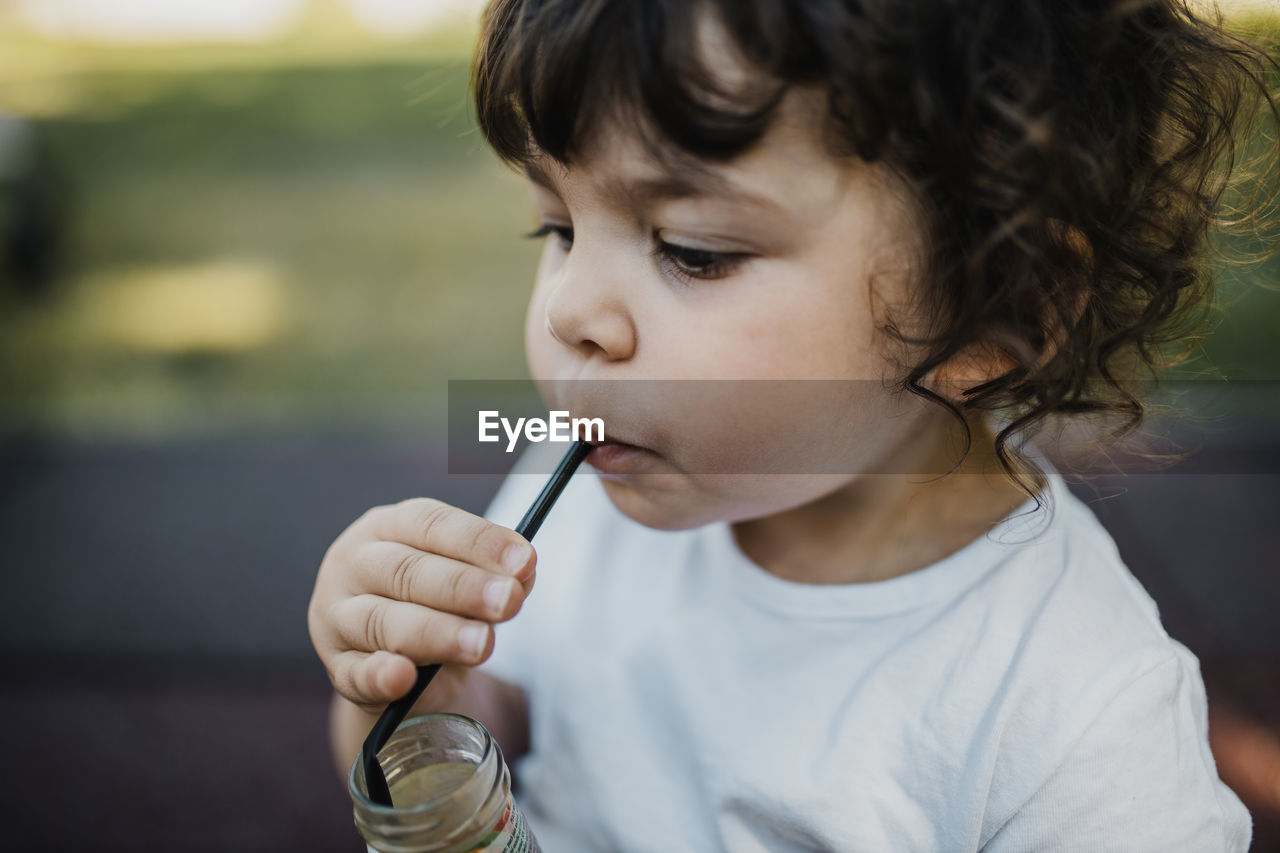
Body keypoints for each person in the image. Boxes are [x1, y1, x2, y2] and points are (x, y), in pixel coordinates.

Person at [309, 0, 1278, 848]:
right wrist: (411, 698)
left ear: (993, 316)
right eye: (556, 228)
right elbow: (481, 748)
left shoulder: (1076, 715)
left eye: (691, 251)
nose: (571, 314)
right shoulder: (601, 471)